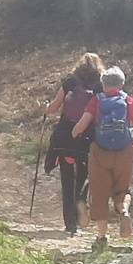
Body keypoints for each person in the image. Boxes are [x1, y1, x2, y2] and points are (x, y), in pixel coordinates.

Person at [72, 66, 133, 251]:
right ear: (121, 84)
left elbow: (81, 125)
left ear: (102, 84)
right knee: (123, 189)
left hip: (100, 152)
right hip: (124, 151)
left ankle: (101, 237)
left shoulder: (96, 101)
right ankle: (124, 210)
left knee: (99, 193)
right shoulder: (128, 101)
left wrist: (74, 133)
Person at [45, 53, 104, 235]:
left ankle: (70, 224)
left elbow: (54, 107)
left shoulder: (70, 82)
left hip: (65, 137)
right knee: (83, 177)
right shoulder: (100, 85)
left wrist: (46, 108)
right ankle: (80, 204)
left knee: (67, 179)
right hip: (87, 138)